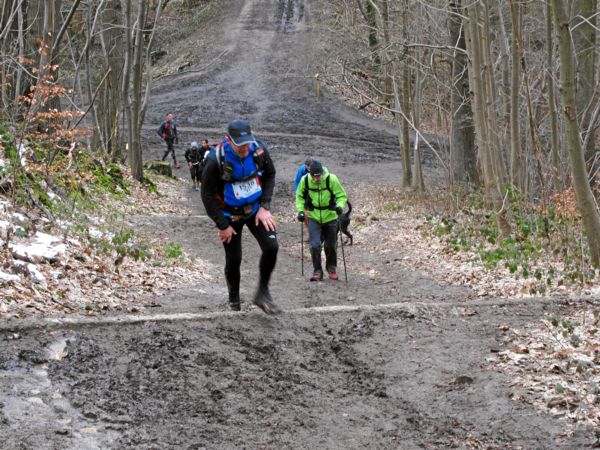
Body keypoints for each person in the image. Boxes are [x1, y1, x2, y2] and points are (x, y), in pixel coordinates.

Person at [201, 119, 280, 314]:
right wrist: (222, 225)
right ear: (229, 140)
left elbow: (270, 174)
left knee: (271, 247)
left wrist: (265, 206)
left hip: (255, 210)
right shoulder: (215, 160)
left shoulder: (259, 151)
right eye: (240, 145)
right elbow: (207, 195)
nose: (245, 148)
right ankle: (234, 302)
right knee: (234, 259)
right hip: (230, 215)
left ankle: (262, 293)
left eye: (247, 143)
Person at [296, 160, 347, 281]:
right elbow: (299, 196)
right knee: (314, 245)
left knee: (330, 245)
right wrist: (301, 211)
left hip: (330, 216)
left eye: (318, 176)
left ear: (322, 173)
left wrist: (340, 206)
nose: (316, 179)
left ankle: (331, 269)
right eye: (313, 176)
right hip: (313, 216)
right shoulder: (305, 180)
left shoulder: (331, 179)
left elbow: (341, 195)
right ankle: (317, 271)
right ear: (310, 174)